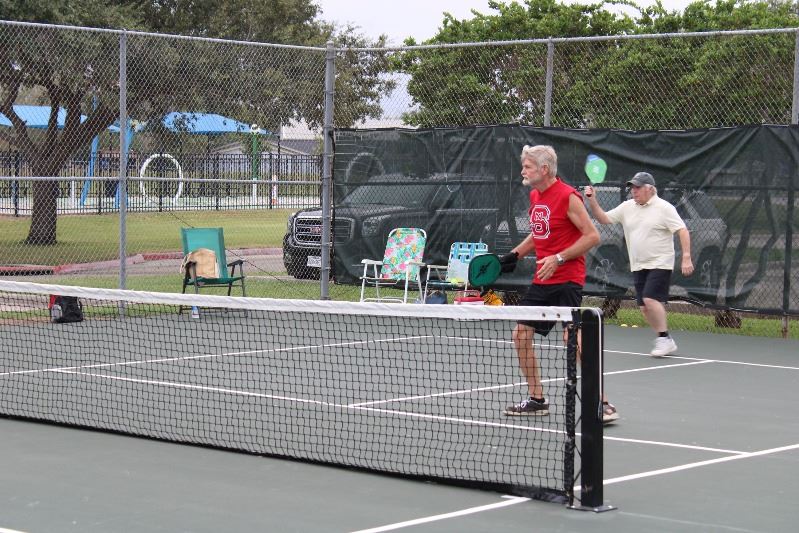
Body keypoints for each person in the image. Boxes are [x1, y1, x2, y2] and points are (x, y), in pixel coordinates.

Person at [500, 145, 618, 424]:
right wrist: (515, 255)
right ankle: (537, 399)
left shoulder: (568, 197)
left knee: (573, 340)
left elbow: (592, 237)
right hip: (543, 279)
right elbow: (539, 234)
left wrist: (560, 257)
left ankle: (603, 403)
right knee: (520, 335)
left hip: (567, 278)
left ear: (544, 169)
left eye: (528, 167)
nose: (523, 171)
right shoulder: (535, 195)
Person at [584, 172, 694, 357]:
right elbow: (603, 218)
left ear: (650, 189)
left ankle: (664, 338)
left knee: (650, 299)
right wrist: (592, 200)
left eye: (637, 187)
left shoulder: (664, 208)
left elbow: (682, 230)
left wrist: (686, 256)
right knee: (643, 306)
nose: (633, 191)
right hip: (638, 264)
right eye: (632, 187)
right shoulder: (627, 207)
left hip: (661, 262)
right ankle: (665, 339)